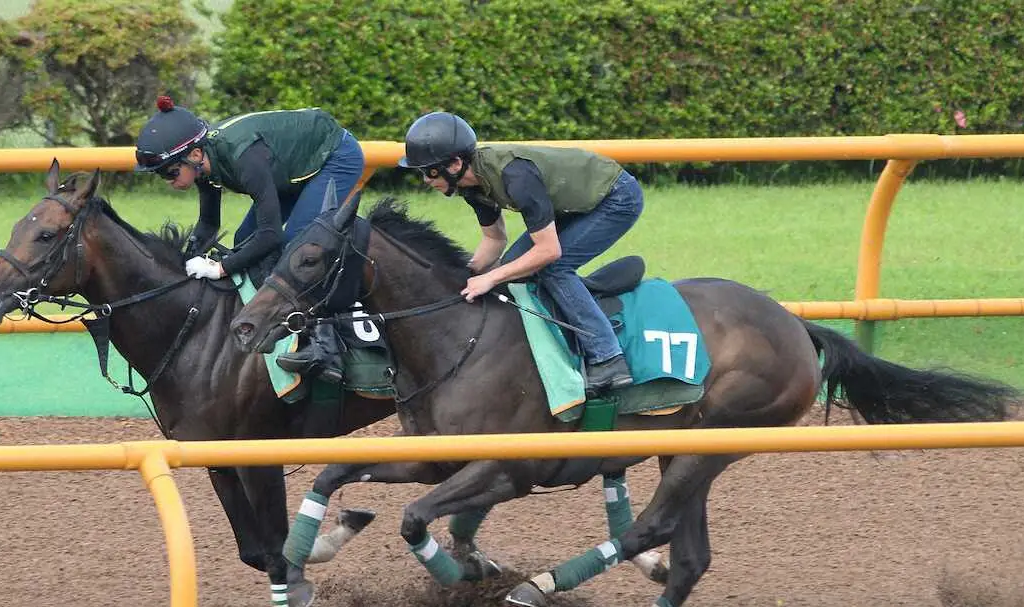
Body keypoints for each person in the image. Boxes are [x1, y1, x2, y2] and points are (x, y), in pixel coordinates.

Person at [397, 111, 643, 394]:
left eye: (429, 171)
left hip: (616, 198)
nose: (426, 180)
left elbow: (549, 251)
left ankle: (608, 357)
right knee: (514, 270)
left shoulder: (516, 176)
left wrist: (490, 279)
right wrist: (464, 277)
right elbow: (494, 239)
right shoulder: (471, 186)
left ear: (454, 164)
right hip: (576, 205)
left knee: (552, 268)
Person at [133, 95, 363, 383]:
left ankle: (324, 344)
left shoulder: (243, 158)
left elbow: (270, 235)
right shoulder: (205, 160)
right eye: (160, 176)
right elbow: (208, 224)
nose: (169, 182)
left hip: (335, 156)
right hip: (289, 167)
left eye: (170, 173)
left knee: (297, 245)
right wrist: (184, 265)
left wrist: (220, 268)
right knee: (245, 238)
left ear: (194, 155)